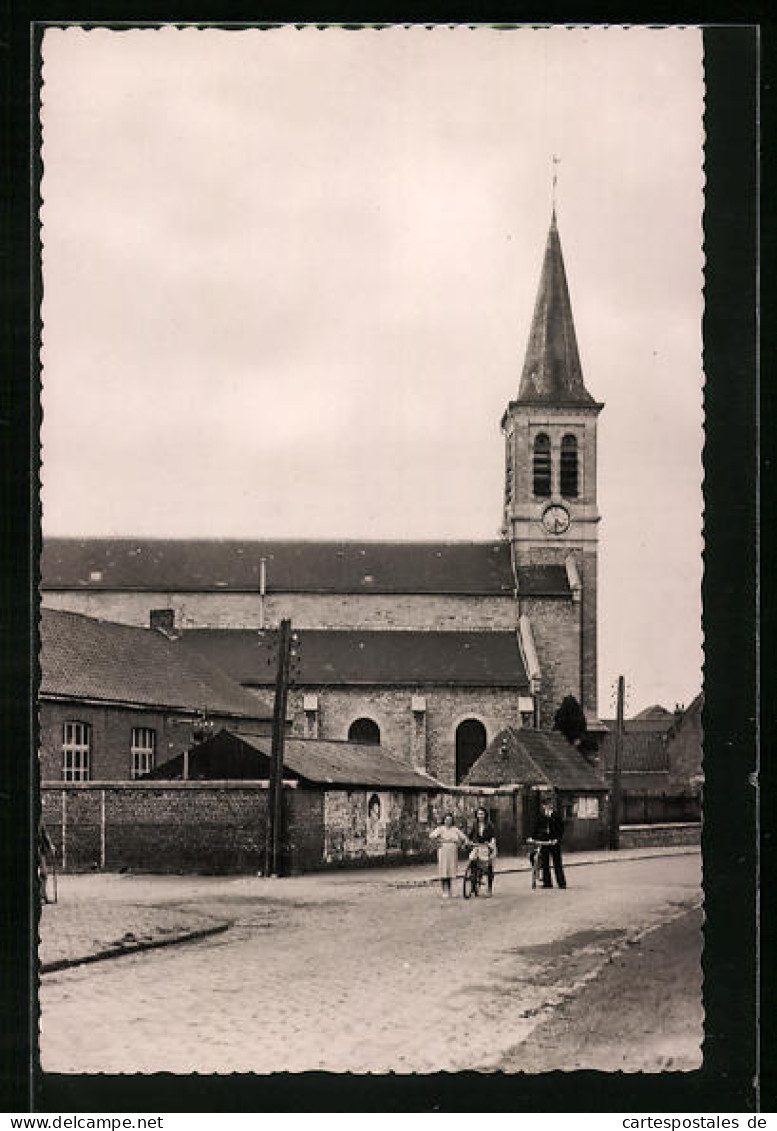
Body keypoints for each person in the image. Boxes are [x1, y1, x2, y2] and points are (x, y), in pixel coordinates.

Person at [531, 795, 566, 889]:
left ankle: (561, 883)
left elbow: (561, 829)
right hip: (544, 841)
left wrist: (557, 839)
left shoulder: (557, 815)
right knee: (545, 862)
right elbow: (536, 828)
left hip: (554, 841)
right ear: (543, 806)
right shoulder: (541, 816)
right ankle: (547, 883)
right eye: (545, 805)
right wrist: (532, 837)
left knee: (557, 863)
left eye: (549, 804)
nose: (547, 806)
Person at [429, 812, 468, 898]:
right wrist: (437, 842)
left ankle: (450, 891)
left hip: (452, 850)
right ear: (444, 820)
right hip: (443, 850)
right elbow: (431, 836)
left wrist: (462, 844)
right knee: (443, 870)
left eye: (450, 820)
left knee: (450, 870)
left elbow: (464, 837)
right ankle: (444, 891)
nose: (448, 821)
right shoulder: (440, 829)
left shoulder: (455, 829)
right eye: (447, 820)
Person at [467, 805, 497, 895]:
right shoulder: (475, 824)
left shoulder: (489, 824)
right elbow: (470, 835)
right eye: (478, 814)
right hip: (477, 845)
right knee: (472, 860)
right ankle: (473, 883)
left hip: (486, 846)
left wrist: (491, 844)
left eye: (482, 814)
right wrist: (468, 842)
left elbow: (493, 836)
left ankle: (489, 888)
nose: (480, 816)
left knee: (488, 866)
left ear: (485, 815)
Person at [38, 821, 55, 905]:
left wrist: (50, 846)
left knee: (44, 873)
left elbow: (45, 834)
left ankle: (43, 896)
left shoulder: (40, 819)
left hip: (39, 851)